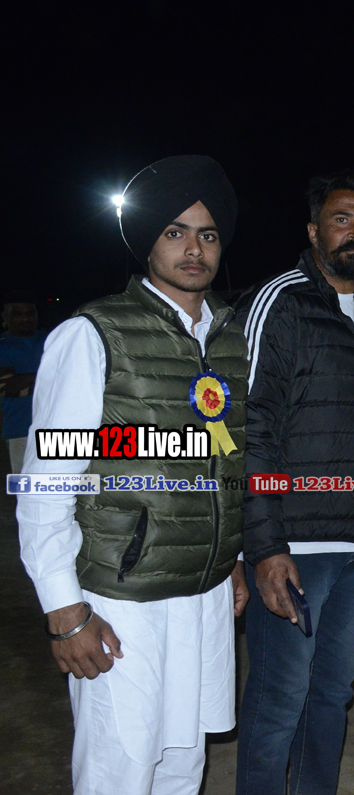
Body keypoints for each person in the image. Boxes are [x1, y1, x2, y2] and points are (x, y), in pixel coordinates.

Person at [17, 154, 248, 795]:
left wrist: (228, 556)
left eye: (207, 234)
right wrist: (65, 611)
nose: (194, 249)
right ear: (148, 242)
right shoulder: (94, 334)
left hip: (203, 597)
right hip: (122, 600)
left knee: (183, 764)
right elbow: (46, 485)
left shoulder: (228, 339)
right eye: (175, 232)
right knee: (118, 768)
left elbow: (225, 454)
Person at [233, 171, 354, 794]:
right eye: (341, 219)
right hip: (297, 548)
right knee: (279, 699)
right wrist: (265, 547)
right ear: (312, 230)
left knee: (331, 694)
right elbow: (248, 430)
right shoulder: (281, 301)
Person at [0, 289, 46, 472]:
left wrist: (27, 379)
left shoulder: (51, 340)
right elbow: (9, 387)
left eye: (30, 313)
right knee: (25, 486)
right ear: (5, 316)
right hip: (20, 430)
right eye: (17, 314)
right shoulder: (2, 345)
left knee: (60, 486)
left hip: (57, 426)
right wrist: (52, 377)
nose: (25, 318)